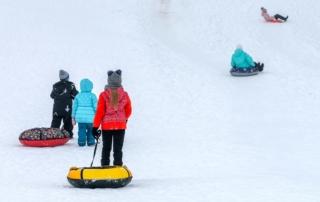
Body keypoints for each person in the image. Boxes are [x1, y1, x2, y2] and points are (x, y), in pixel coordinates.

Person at [92, 70, 132, 167]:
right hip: (121, 126)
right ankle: (118, 168)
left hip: (107, 126)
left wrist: (95, 127)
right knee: (118, 148)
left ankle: (105, 166)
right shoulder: (125, 94)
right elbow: (129, 110)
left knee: (106, 147)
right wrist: (124, 119)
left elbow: (100, 112)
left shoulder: (103, 95)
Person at [50, 70, 78, 138]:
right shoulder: (71, 85)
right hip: (67, 108)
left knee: (55, 121)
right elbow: (75, 95)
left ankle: (53, 134)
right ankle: (68, 134)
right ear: (67, 77)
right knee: (68, 121)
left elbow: (52, 96)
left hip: (57, 108)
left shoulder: (55, 86)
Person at [71, 78, 97, 146]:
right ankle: (91, 142)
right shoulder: (93, 96)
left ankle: (81, 142)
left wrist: (73, 117)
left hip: (80, 118)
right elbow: (96, 107)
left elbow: (74, 107)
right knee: (91, 130)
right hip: (91, 118)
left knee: (81, 130)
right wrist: (97, 116)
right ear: (90, 87)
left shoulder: (78, 96)